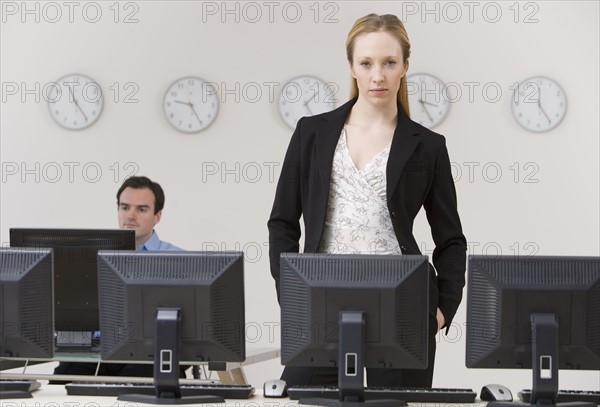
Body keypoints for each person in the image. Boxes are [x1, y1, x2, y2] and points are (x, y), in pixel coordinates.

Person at [267, 13, 467, 388]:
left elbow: (451, 240)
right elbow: (282, 222)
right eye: (367, 63)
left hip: (403, 305)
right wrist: (291, 294)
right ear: (351, 67)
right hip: (321, 300)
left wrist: (442, 310)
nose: (378, 75)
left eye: (389, 63)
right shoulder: (311, 133)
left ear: (405, 66)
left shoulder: (428, 147)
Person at [53, 176, 183, 381]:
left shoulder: (178, 260)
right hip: (91, 353)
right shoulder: (87, 257)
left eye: (141, 209)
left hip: (147, 357)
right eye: (124, 207)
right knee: (58, 390)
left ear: (157, 216)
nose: (130, 215)